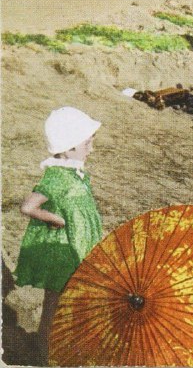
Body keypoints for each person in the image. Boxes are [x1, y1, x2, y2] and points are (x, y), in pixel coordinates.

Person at [14, 107, 104, 365]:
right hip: (62, 252)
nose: (91, 149)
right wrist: (56, 219)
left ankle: (60, 347)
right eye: (87, 143)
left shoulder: (75, 173)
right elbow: (28, 207)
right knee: (55, 304)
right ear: (68, 149)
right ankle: (44, 354)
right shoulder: (57, 176)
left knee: (70, 301)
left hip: (78, 247)